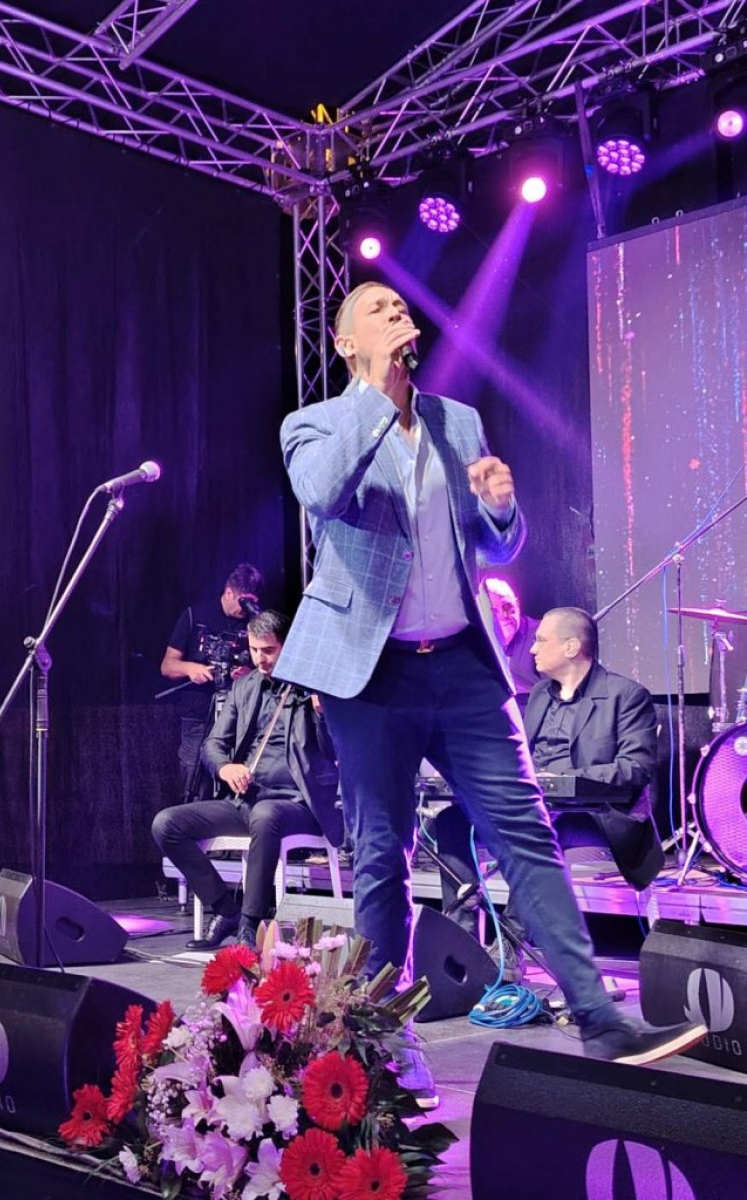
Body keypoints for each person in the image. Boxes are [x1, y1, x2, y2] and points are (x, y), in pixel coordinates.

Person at [274, 280, 703, 1092]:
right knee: (383, 854)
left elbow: (494, 546)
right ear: (345, 342)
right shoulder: (315, 424)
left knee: (526, 832)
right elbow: (323, 493)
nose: (397, 313)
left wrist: (503, 510)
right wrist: (377, 395)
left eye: (401, 306)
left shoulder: (458, 421)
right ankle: (382, 1042)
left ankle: (600, 1020)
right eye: (377, 309)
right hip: (371, 673)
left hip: (465, 668)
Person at [436, 606, 664, 963]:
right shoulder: (540, 694)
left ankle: (509, 947)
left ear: (571, 647)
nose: (532, 648)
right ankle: (461, 940)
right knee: (451, 820)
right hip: (536, 804)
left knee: (541, 827)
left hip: (597, 816)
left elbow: (635, 769)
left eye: (541, 640)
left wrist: (566, 782)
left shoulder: (626, 695)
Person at [153, 609, 342, 951]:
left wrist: (324, 714)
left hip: (300, 804)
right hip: (247, 802)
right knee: (167, 824)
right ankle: (227, 910)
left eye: (268, 650)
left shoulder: (313, 688)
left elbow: (335, 750)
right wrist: (226, 768)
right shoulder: (245, 686)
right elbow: (213, 744)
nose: (260, 659)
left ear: (288, 645)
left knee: (266, 814)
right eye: (254, 650)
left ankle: (251, 924)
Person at [160, 563, 264, 800]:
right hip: (199, 714)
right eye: (242, 602)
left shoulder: (253, 622)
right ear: (228, 593)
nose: (245, 610)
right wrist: (191, 669)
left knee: (238, 774)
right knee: (194, 776)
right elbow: (167, 666)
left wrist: (249, 674)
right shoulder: (195, 615)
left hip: (240, 715)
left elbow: (269, 666)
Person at [483, 576, 541, 696]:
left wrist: (503, 662)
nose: (503, 615)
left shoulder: (542, 635)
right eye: (494, 611)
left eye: (507, 607)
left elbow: (554, 690)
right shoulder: (475, 645)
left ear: (517, 604)